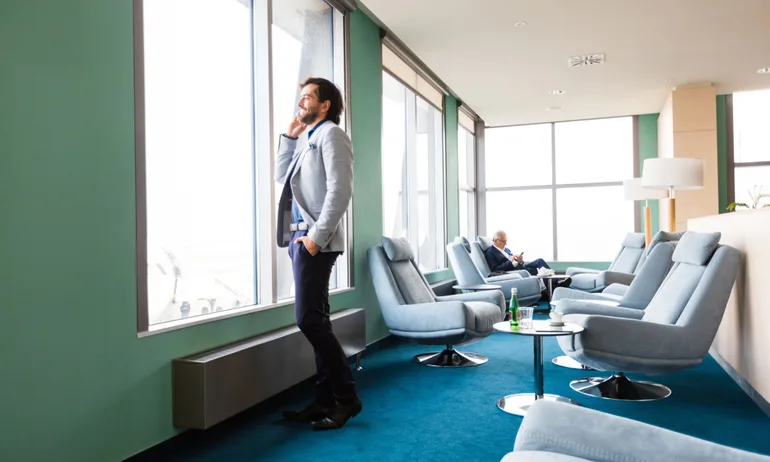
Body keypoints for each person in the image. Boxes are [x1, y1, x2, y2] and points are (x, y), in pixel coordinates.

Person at [276, 77, 361, 430]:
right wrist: (289, 137)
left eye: (307, 97)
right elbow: (282, 178)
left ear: (325, 105)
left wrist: (316, 238)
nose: (301, 102)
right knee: (318, 320)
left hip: (315, 242)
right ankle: (324, 399)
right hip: (301, 242)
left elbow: (340, 191)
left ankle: (347, 398)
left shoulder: (331, 135)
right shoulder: (308, 138)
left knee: (308, 320)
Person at [484, 230, 571, 287]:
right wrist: (511, 261)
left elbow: (514, 261)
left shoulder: (506, 249)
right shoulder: (491, 252)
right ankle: (556, 285)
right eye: (504, 241)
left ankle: (556, 281)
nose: (506, 244)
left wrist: (519, 261)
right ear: (496, 240)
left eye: (506, 241)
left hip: (519, 266)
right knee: (537, 271)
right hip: (513, 271)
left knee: (539, 261)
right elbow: (495, 270)